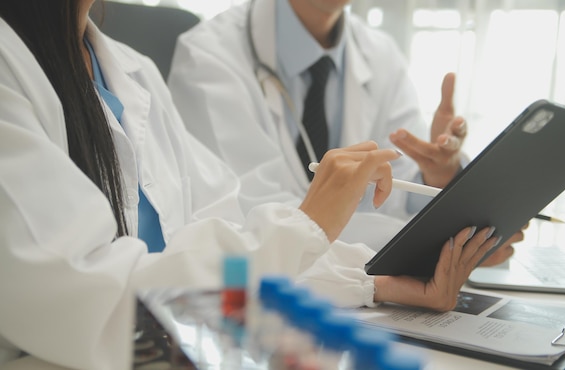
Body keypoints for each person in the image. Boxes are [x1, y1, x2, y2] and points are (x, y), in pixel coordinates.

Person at [0, 1, 501, 369]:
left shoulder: (135, 73)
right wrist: (310, 224)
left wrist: (375, 284)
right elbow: (95, 299)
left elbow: (231, 241)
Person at [167, 0, 524, 260]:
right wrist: (444, 247)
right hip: (251, 296)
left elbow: (394, 190)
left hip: (360, 297)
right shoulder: (208, 57)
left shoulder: (380, 55)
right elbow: (248, 215)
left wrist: (439, 178)